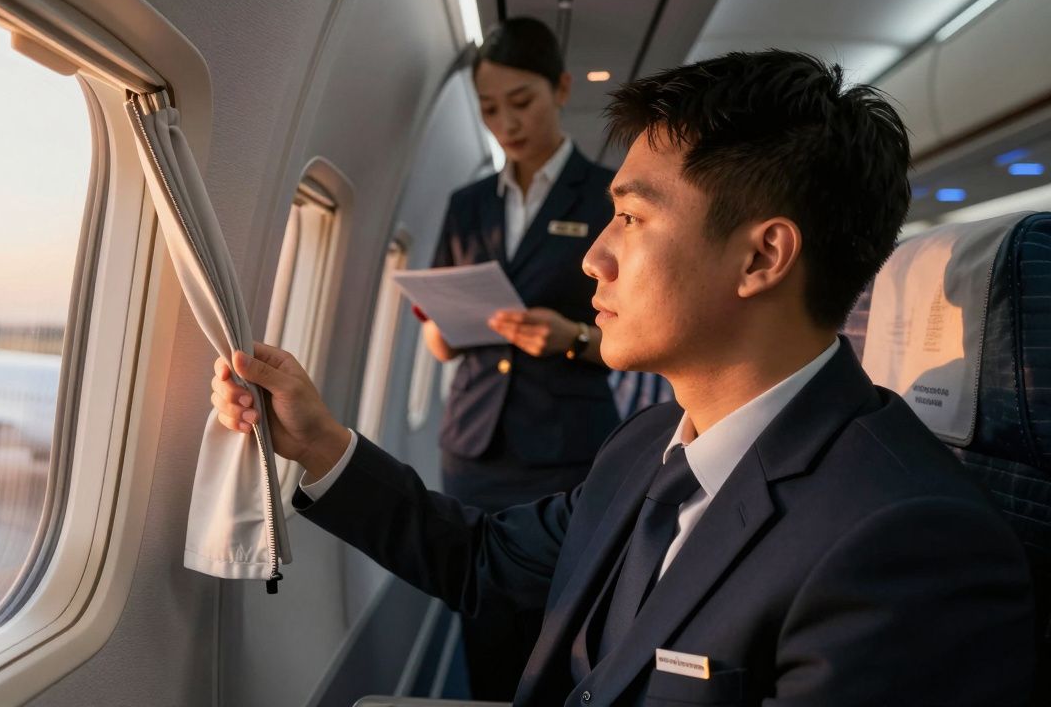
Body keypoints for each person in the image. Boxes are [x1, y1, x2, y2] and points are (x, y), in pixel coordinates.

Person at [210, 50, 1035, 705]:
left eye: (632, 217)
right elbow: (486, 561)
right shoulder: (646, 445)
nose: (593, 258)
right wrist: (319, 444)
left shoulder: (909, 545)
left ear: (762, 257)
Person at [422, 17, 624, 698]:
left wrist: (573, 337)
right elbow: (438, 339)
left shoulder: (609, 197)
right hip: (473, 450)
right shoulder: (468, 205)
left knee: (562, 629)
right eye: (488, 109)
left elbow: (642, 336)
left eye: (521, 102)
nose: (505, 123)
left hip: (565, 448)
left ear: (561, 88)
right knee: (482, 622)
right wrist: (445, 326)